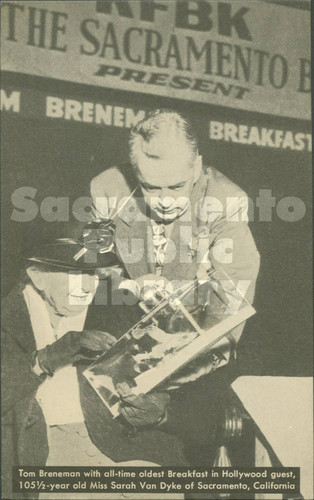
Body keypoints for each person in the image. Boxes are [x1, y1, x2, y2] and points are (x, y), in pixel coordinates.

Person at [1, 222, 186, 500]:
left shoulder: (112, 312)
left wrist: (157, 407)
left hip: (116, 451)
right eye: (77, 273)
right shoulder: (7, 320)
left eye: (94, 274)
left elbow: (163, 385)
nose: (88, 286)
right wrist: (45, 359)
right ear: (37, 276)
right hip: (40, 460)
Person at [90, 109, 260, 380]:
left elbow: (231, 296)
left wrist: (183, 366)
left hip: (197, 336)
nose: (165, 201)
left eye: (176, 187)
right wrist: (128, 285)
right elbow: (88, 263)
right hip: (121, 326)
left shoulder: (226, 201)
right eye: (151, 188)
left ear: (196, 167)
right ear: (135, 172)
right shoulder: (107, 188)